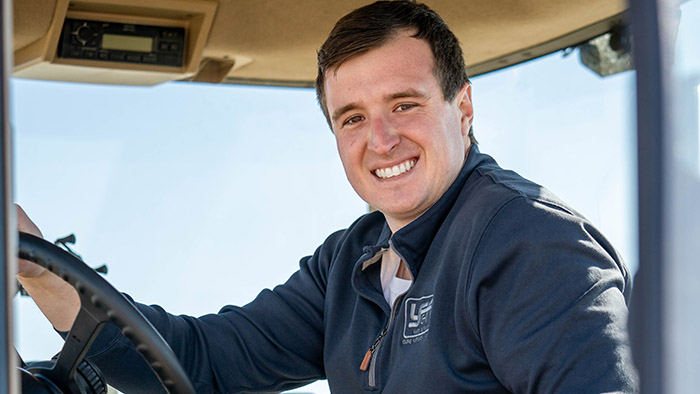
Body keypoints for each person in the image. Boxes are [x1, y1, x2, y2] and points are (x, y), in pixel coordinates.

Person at [17, 1, 638, 393]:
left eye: (404, 105)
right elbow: (199, 362)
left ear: (463, 108)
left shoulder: (529, 242)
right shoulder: (351, 263)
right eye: (352, 118)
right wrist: (38, 267)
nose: (383, 140)